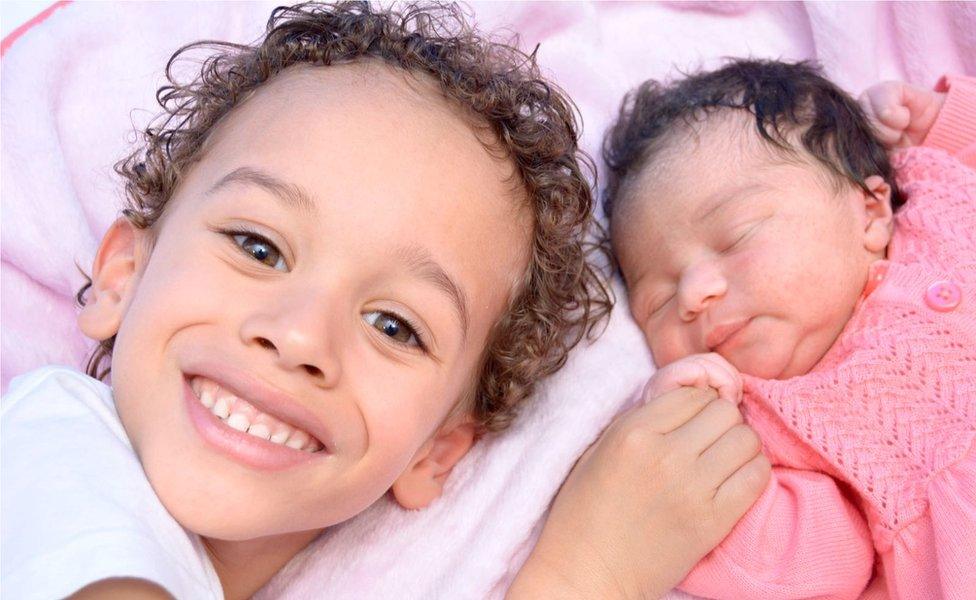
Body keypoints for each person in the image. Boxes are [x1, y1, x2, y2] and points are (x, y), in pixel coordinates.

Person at [2, 2, 620, 598]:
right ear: (123, 277)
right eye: (258, 248)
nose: (299, 337)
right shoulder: (56, 448)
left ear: (436, 450)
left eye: (393, 325)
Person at [603, 58, 976, 599]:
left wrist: (942, 121)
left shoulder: (942, 216)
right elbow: (810, 564)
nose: (692, 294)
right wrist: (683, 440)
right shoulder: (773, 429)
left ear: (870, 213)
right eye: (657, 301)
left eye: (736, 237)